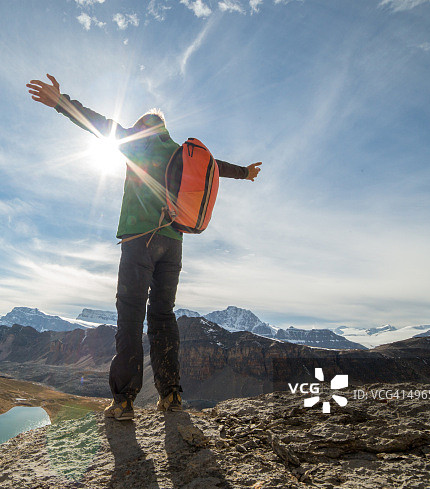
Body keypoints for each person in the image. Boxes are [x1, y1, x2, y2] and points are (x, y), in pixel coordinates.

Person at [27, 74, 261, 421]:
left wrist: (62, 103)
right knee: (164, 317)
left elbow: (98, 124)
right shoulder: (184, 154)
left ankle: (123, 401)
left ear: (142, 126)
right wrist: (244, 173)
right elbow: (214, 167)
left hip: (140, 242)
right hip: (174, 243)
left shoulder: (137, 142)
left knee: (131, 317)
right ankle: (171, 397)